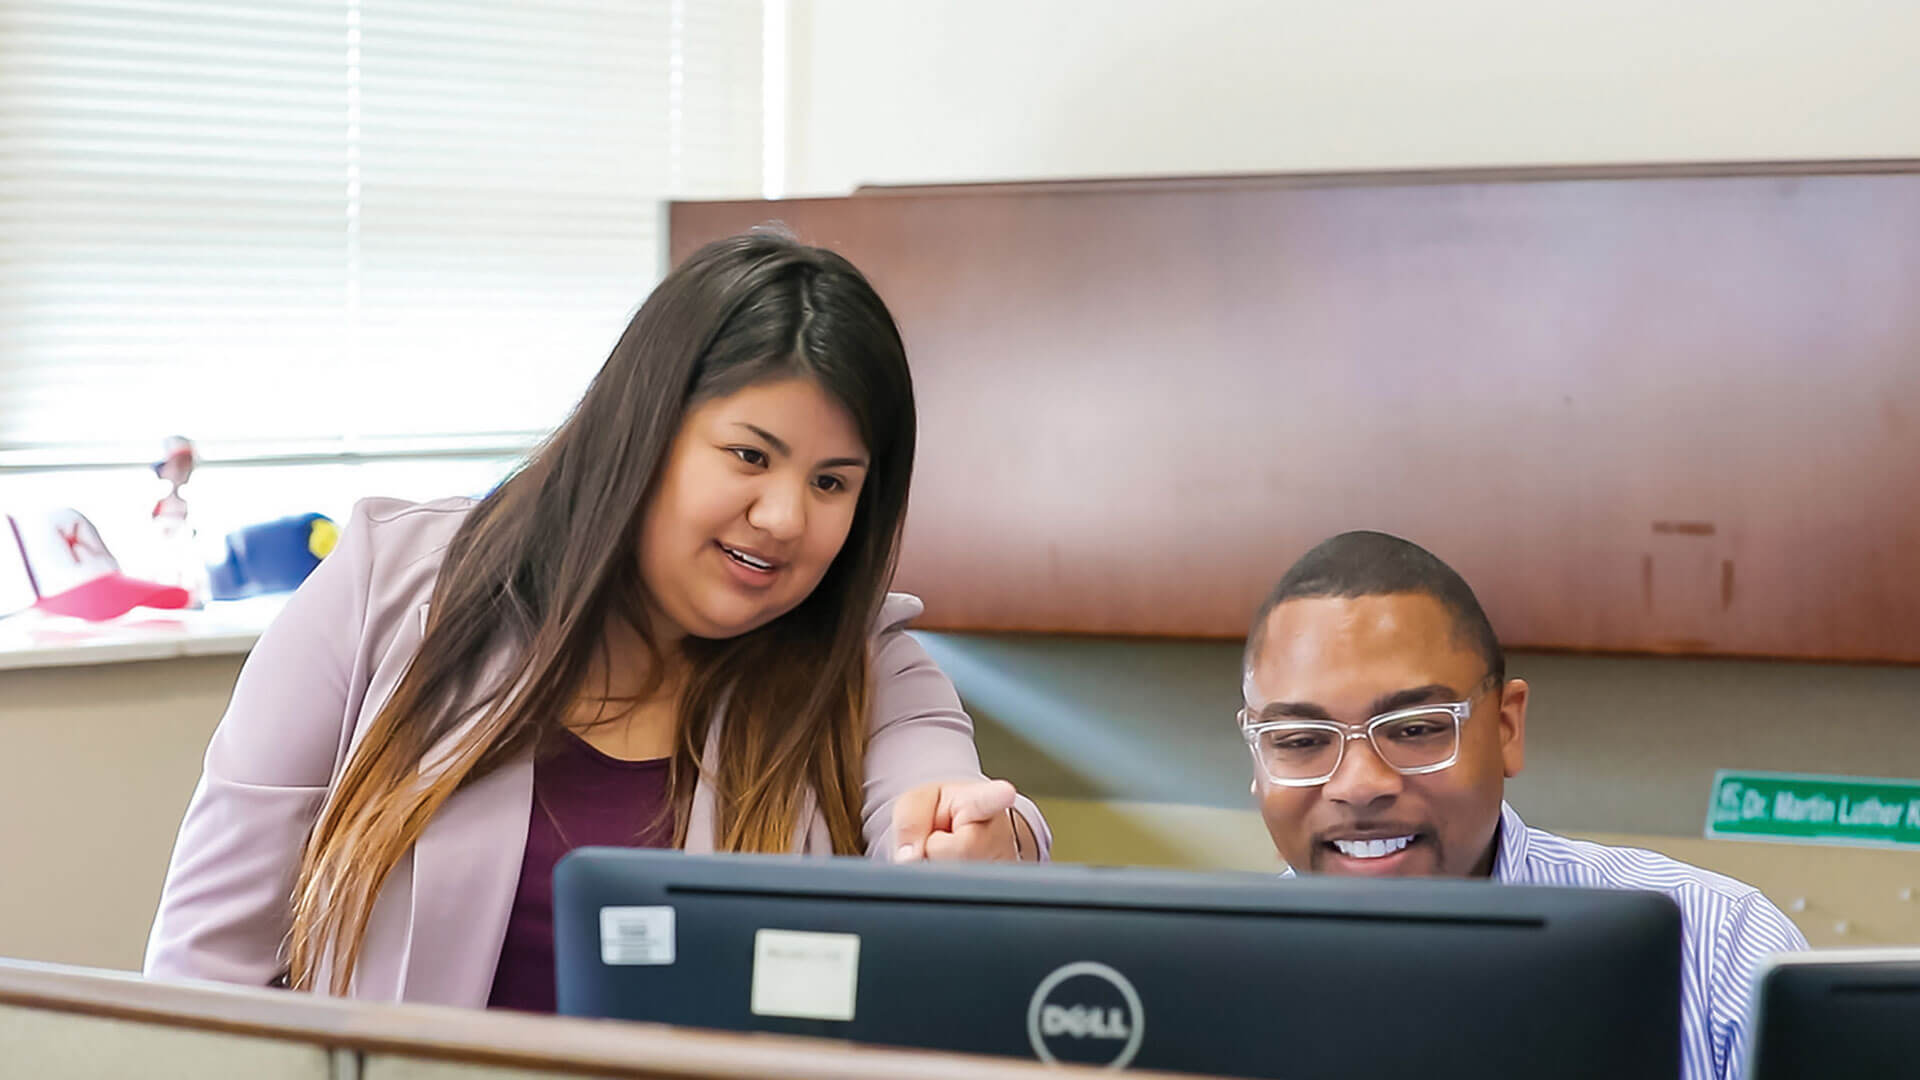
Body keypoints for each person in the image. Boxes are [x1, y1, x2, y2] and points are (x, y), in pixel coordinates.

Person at [145, 233, 1049, 1011]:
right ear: (643, 431)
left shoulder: (868, 667)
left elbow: (939, 811)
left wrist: (983, 849)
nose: (784, 517)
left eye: (831, 482)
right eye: (748, 455)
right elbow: (203, 972)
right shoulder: (387, 583)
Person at [1238, 530, 1804, 1080]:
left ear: (1506, 727)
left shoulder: (1721, 952)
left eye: (1415, 730)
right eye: (1301, 741)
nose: (1360, 785)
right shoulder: (1183, 986)